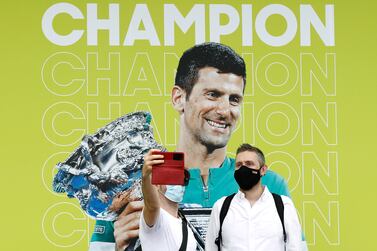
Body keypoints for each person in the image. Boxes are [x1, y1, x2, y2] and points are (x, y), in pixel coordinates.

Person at [89, 42, 291, 251]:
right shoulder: (131, 184)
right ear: (178, 98)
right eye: (212, 94)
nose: (224, 110)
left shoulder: (270, 185)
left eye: (234, 99)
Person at [205, 144, 302, 251]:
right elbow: (210, 247)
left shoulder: (283, 205)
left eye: (249, 164)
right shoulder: (221, 206)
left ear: (263, 170)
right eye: (239, 165)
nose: (243, 168)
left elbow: (295, 247)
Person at [139, 149, 196, 251]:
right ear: (156, 184)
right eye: (172, 177)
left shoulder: (183, 221)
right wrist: (146, 176)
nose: (179, 183)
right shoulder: (157, 218)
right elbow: (152, 206)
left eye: (183, 178)